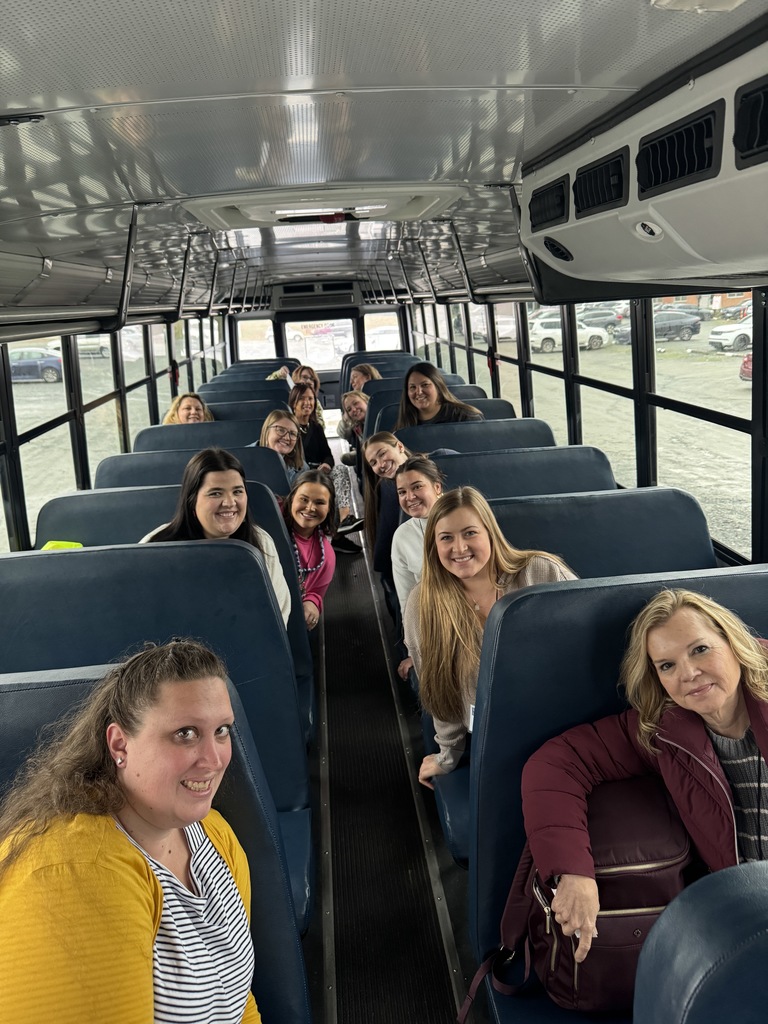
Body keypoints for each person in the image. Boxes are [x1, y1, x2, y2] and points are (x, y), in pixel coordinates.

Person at [0, 640, 260, 1024]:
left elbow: (239, 1004)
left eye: (221, 730)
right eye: (185, 734)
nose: (215, 758)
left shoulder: (215, 839)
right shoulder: (74, 875)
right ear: (120, 744)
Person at [521, 588, 768, 966]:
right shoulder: (663, 733)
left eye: (700, 649)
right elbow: (558, 762)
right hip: (744, 918)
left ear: (732, 640)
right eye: (666, 665)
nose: (688, 674)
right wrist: (573, 871)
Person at [405, 486, 576, 789]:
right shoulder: (423, 606)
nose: (459, 548)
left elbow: (586, 641)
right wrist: (447, 755)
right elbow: (439, 690)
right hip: (490, 738)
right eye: (446, 537)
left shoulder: (541, 572)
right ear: (433, 545)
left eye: (470, 533)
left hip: (560, 725)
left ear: (490, 533)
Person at [141, 447, 291, 626]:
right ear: (192, 500)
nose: (229, 503)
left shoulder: (261, 542)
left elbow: (278, 615)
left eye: (237, 491)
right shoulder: (155, 545)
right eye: (215, 493)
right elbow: (144, 614)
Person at [391, 456, 446, 679]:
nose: (410, 497)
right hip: (436, 627)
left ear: (437, 487)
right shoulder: (402, 537)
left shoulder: (464, 519)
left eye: (417, 487)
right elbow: (408, 601)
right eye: (402, 492)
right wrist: (415, 651)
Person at [289, 383, 362, 544]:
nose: (307, 402)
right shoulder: (289, 427)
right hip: (297, 474)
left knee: (340, 471)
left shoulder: (315, 427)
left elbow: (327, 455)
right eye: (302, 399)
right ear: (294, 402)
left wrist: (326, 465)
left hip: (318, 470)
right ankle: (334, 536)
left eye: (310, 398)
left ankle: (344, 520)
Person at [281, 470, 337, 631]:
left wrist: (311, 603)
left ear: (329, 508)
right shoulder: (269, 524)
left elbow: (315, 593)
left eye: (319, 502)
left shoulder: (326, 556)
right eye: (303, 499)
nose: (310, 508)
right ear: (292, 499)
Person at [362, 432, 412, 586]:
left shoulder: (441, 458)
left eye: (382, 454)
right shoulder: (389, 488)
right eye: (373, 463)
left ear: (400, 447)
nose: (381, 464)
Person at [394, 362, 484, 429]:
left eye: (425, 385)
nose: (419, 392)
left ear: (438, 387)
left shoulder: (466, 417)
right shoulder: (404, 423)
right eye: (412, 387)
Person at [258, 409, 307, 484]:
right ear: (267, 431)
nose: (287, 437)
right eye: (281, 430)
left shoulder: (302, 468)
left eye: (292, 434)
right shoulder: (242, 458)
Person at [337, 389, 370, 464]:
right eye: (349, 409)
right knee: (344, 458)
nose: (354, 409)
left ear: (366, 401)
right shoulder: (356, 424)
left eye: (356, 403)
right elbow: (342, 433)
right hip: (365, 452)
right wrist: (345, 419)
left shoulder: (380, 415)